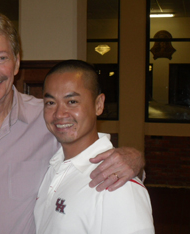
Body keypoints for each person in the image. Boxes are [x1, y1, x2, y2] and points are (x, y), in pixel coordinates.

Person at [0, 12, 145, 234]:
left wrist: (135, 160)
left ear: (16, 63)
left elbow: (88, 153)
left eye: (1, 58)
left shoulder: (50, 118)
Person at [34, 60, 154, 234]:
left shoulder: (117, 183)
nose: (59, 114)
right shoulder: (54, 167)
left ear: (99, 104)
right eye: (50, 103)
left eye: (72, 101)